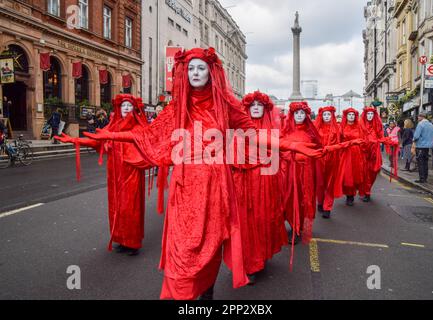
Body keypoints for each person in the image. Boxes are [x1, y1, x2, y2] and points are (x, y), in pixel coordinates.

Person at [83, 48, 321, 300]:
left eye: (201, 68)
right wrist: (107, 135)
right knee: (183, 247)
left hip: (215, 185)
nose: (195, 73)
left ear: (211, 72)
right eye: (191, 68)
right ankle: (185, 292)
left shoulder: (226, 104)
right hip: (184, 186)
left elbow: (255, 134)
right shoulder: (177, 106)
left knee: (211, 243)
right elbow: (146, 135)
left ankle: (206, 292)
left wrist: (289, 145)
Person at [56, 94, 149, 256]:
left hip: (131, 172)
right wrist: (74, 140)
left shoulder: (138, 126)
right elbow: (96, 140)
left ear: (134, 108)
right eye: (123, 105)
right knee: (116, 207)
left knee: (130, 207)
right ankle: (121, 239)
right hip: (115, 173)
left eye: (129, 105)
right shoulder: (113, 125)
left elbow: (135, 138)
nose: (126, 108)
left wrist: (111, 136)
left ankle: (133, 242)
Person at [232, 91, 288, 285]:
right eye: (252, 104)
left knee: (263, 220)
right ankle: (250, 263)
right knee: (245, 224)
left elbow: (278, 159)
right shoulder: (237, 129)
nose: (255, 107)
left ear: (265, 108)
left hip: (265, 182)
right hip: (243, 182)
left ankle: (260, 255)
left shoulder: (272, 131)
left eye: (259, 105)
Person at [281, 101, 323, 247]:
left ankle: (297, 229)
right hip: (287, 172)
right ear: (292, 115)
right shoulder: (285, 131)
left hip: (305, 173)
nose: (299, 115)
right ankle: (292, 224)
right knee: (287, 199)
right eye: (296, 113)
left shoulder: (311, 133)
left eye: (302, 113)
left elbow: (319, 149)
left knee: (302, 199)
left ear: (306, 115)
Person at [340, 108, 367, 206]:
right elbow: (339, 141)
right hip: (346, 153)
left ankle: (351, 195)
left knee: (355, 174)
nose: (351, 116)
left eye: (352, 115)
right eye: (349, 114)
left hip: (356, 153)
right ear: (346, 116)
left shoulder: (359, 127)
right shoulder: (342, 127)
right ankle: (348, 195)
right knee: (347, 174)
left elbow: (363, 140)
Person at [359, 107, 384, 202]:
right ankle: (366, 192)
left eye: (371, 114)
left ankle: (367, 191)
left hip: (374, 154)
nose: (370, 116)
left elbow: (381, 137)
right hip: (364, 153)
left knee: (373, 173)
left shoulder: (377, 125)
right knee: (365, 174)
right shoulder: (361, 125)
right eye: (368, 114)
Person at [413, 112, 433, 183]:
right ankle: (425, 178)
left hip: (420, 146)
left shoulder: (420, 124)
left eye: (418, 117)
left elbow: (416, 136)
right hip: (428, 147)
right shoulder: (431, 125)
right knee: (425, 162)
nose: (417, 118)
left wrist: (413, 140)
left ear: (422, 117)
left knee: (420, 163)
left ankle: (422, 178)